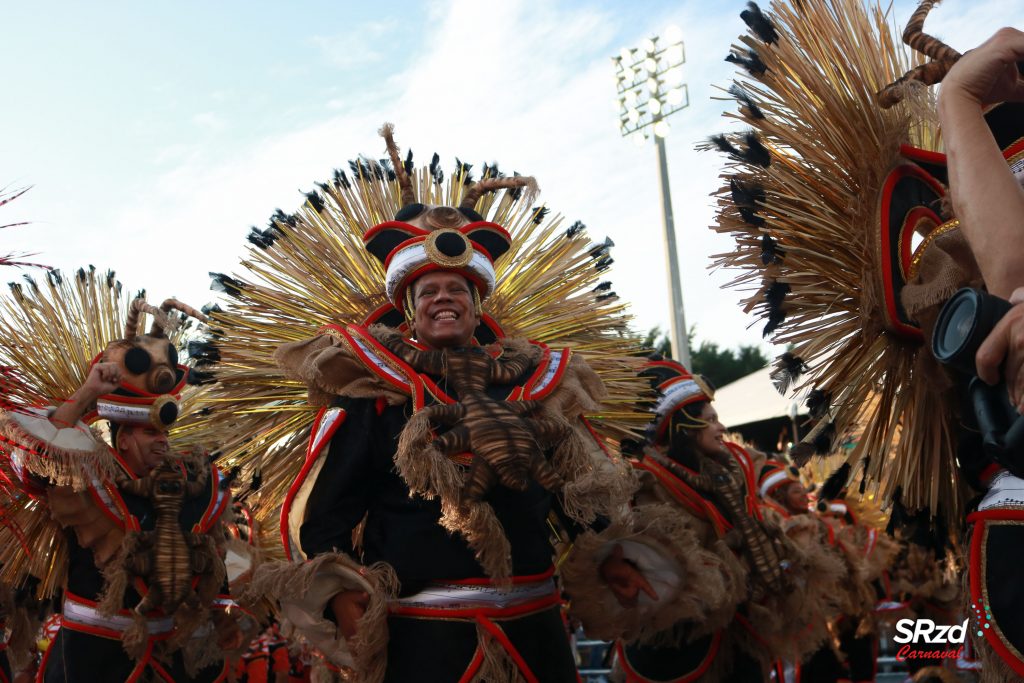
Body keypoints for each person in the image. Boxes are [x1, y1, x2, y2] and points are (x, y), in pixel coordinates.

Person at [237, 124, 645, 682]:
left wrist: (613, 555)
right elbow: (326, 517)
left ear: (478, 307)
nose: (444, 297)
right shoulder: (373, 395)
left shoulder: (536, 388)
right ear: (410, 310)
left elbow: (579, 495)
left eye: (458, 289)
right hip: (424, 643)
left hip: (536, 631)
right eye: (428, 290)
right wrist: (339, 596)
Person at [0, 280, 242, 682]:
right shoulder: (85, 479)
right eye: (151, 435)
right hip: (92, 658)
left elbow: (213, 560)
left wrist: (223, 616)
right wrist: (90, 391)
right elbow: (43, 456)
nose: (162, 443)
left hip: (168, 658)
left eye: (164, 435)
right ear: (124, 439)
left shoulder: (190, 488)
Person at [563, 360, 843, 682]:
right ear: (683, 427)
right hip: (677, 646)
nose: (721, 427)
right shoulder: (646, 483)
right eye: (711, 421)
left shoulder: (729, 473)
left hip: (736, 633)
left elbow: (761, 494)